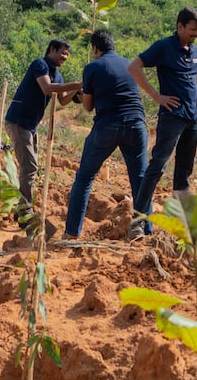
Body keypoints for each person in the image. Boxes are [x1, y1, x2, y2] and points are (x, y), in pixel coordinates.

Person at [130, 8, 197, 236]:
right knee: (157, 167)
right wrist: (157, 97)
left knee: (184, 171)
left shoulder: (194, 50)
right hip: (172, 117)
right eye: (192, 30)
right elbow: (134, 67)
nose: (196, 34)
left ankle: (185, 225)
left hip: (192, 118)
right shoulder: (163, 46)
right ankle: (138, 222)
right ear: (180, 26)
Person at [65, 31, 148, 239]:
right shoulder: (129, 64)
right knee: (140, 178)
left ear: (95, 48)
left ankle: (72, 233)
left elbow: (88, 106)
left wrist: (83, 95)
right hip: (136, 125)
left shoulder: (92, 67)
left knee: (84, 178)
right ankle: (143, 230)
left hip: (107, 126)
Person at [5, 39, 81, 225]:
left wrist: (78, 90)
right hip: (18, 121)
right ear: (52, 50)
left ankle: (21, 208)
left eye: (67, 55)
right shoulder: (40, 64)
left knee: (31, 167)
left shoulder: (58, 75)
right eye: (62, 53)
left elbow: (63, 100)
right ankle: (25, 212)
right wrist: (78, 84)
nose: (64, 57)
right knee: (29, 167)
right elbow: (47, 89)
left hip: (31, 125)